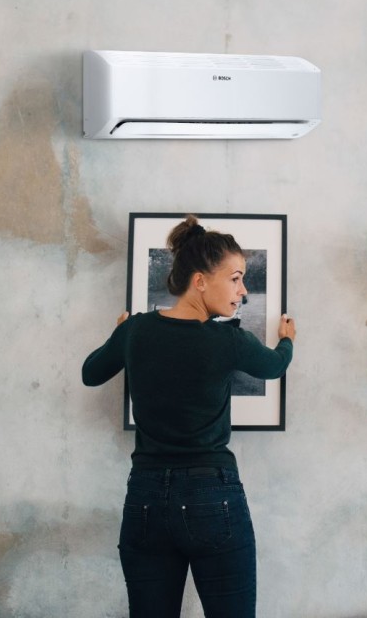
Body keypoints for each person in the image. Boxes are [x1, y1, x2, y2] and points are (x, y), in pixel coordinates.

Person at [82, 215, 296, 618]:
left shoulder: (135, 331)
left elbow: (90, 373)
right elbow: (273, 366)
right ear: (200, 281)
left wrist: (120, 334)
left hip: (145, 497)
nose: (243, 291)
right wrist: (288, 341)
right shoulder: (229, 339)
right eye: (236, 278)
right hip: (211, 495)